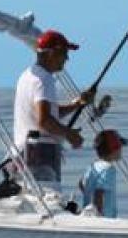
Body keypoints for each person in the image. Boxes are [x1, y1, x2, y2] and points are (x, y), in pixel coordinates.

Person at [13, 29, 93, 189]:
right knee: (48, 199)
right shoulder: (44, 80)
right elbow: (44, 121)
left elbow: (47, 113)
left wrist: (76, 105)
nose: (67, 58)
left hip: (23, 154)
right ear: (51, 53)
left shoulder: (27, 75)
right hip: (39, 157)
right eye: (64, 53)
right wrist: (70, 134)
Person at [79, 129, 128, 218]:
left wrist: (88, 195)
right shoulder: (109, 169)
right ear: (114, 149)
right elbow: (99, 192)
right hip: (103, 218)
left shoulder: (93, 166)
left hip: (88, 215)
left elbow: (81, 184)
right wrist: (99, 215)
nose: (122, 150)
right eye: (120, 147)